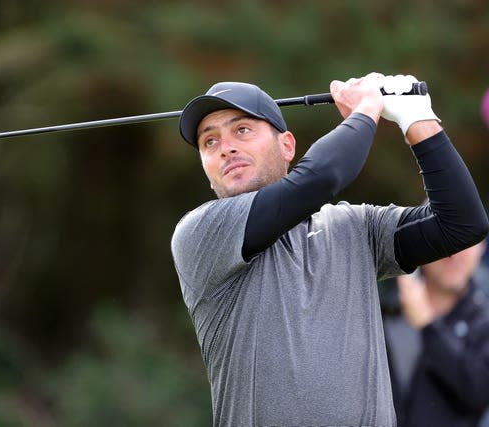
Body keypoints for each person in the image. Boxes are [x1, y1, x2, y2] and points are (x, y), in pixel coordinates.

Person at [170, 73, 489, 427]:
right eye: (209, 141)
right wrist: (367, 108)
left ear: (287, 146)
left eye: (242, 130)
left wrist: (416, 119)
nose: (225, 147)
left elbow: (461, 224)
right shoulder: (199, 233)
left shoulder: (355, 227)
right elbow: (319, 178)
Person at [384, 241, 489, 427]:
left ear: (481, 247)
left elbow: (479, 389)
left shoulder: (483, 319)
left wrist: (428, 326)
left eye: (467, 242)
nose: (454, 254)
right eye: (446, 238)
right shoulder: (385, 312)